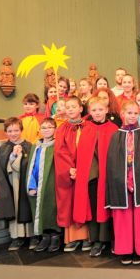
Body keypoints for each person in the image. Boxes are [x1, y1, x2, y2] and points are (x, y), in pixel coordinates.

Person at [105, 100, 140, 265]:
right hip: (121, 183)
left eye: (135, 113)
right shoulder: (116, 136)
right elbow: (112, 162)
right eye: (129, 113)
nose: (132, 116)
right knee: (123, 217)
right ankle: (125, 250)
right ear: (122, 114)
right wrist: (122, 178)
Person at [73, 97, 119, 257]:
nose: (98, 113)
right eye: (94, 110)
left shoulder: (113, 129)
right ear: (89, 112)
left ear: (106, 110)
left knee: (110, 208)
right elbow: (82, 154)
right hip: (92, 177)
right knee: (93, 207)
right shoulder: (86, 129)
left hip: (109, 178)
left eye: (101, 110)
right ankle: (97, 241)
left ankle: (111, 239)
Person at [54, 96, 90, 253]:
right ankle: (73, 238)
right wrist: (70, 169)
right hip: (69, 172)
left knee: (86, 201)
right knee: (70, 202)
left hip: (86, 170)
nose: (70, 109)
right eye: (67, 107)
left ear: (81, 108)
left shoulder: (89, 126)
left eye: (73, 106)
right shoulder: (62, 129)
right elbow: (60, 151)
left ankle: (88, 237)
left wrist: (84, 168)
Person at [0, 117, 33, 251]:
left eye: (16, 130)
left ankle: (32, 235)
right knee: (15, 208)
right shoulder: (3, 149)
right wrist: (13, 156)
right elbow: (3, 168)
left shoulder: (29, 146)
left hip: (26, 183)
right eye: (10, 131)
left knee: (28, 206)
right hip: (12, 184)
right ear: (5, 132)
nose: (13, 133)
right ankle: (17, 238)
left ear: (21, 130)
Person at [26, 117, 61, 252]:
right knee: (39, 208)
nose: (46, 130)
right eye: (43, 128)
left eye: (49, 127)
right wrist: (32, 185)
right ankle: (44, 236)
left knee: (52, 208)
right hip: (38, 184)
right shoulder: (36, 146)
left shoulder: (57, 145)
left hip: (53, 183)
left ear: (55, 129)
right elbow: (32, 167)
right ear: (39, 130)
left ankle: (55, 236)